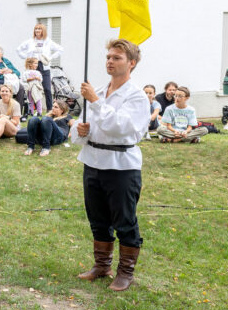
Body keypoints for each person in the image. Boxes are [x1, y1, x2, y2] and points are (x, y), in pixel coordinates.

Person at [71, 38, 149, 292]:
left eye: (117, 58)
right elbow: (90, 126)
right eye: (108, 57)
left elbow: (123, 129)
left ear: (131, 63)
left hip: (121, 166)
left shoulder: (136, 97)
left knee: (124, 220)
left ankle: (125, 272)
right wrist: (82, 131)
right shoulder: (101, 91)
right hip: (93, 161)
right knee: (98, 217)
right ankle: (101, 265)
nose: (110, 62)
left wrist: (95, 101)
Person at [17, 23, 63, 111]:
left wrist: (50, 57)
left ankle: (50, 110)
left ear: (43, 31)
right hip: (32, 67)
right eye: (36, 29)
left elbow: (60, 49)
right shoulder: (30, 41)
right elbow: (18, 50)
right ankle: (30, 110)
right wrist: (27, 57)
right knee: (31, 89)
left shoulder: (48, 41)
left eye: (39, 29)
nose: (37, 30)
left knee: (47, 89)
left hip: (44, 67)